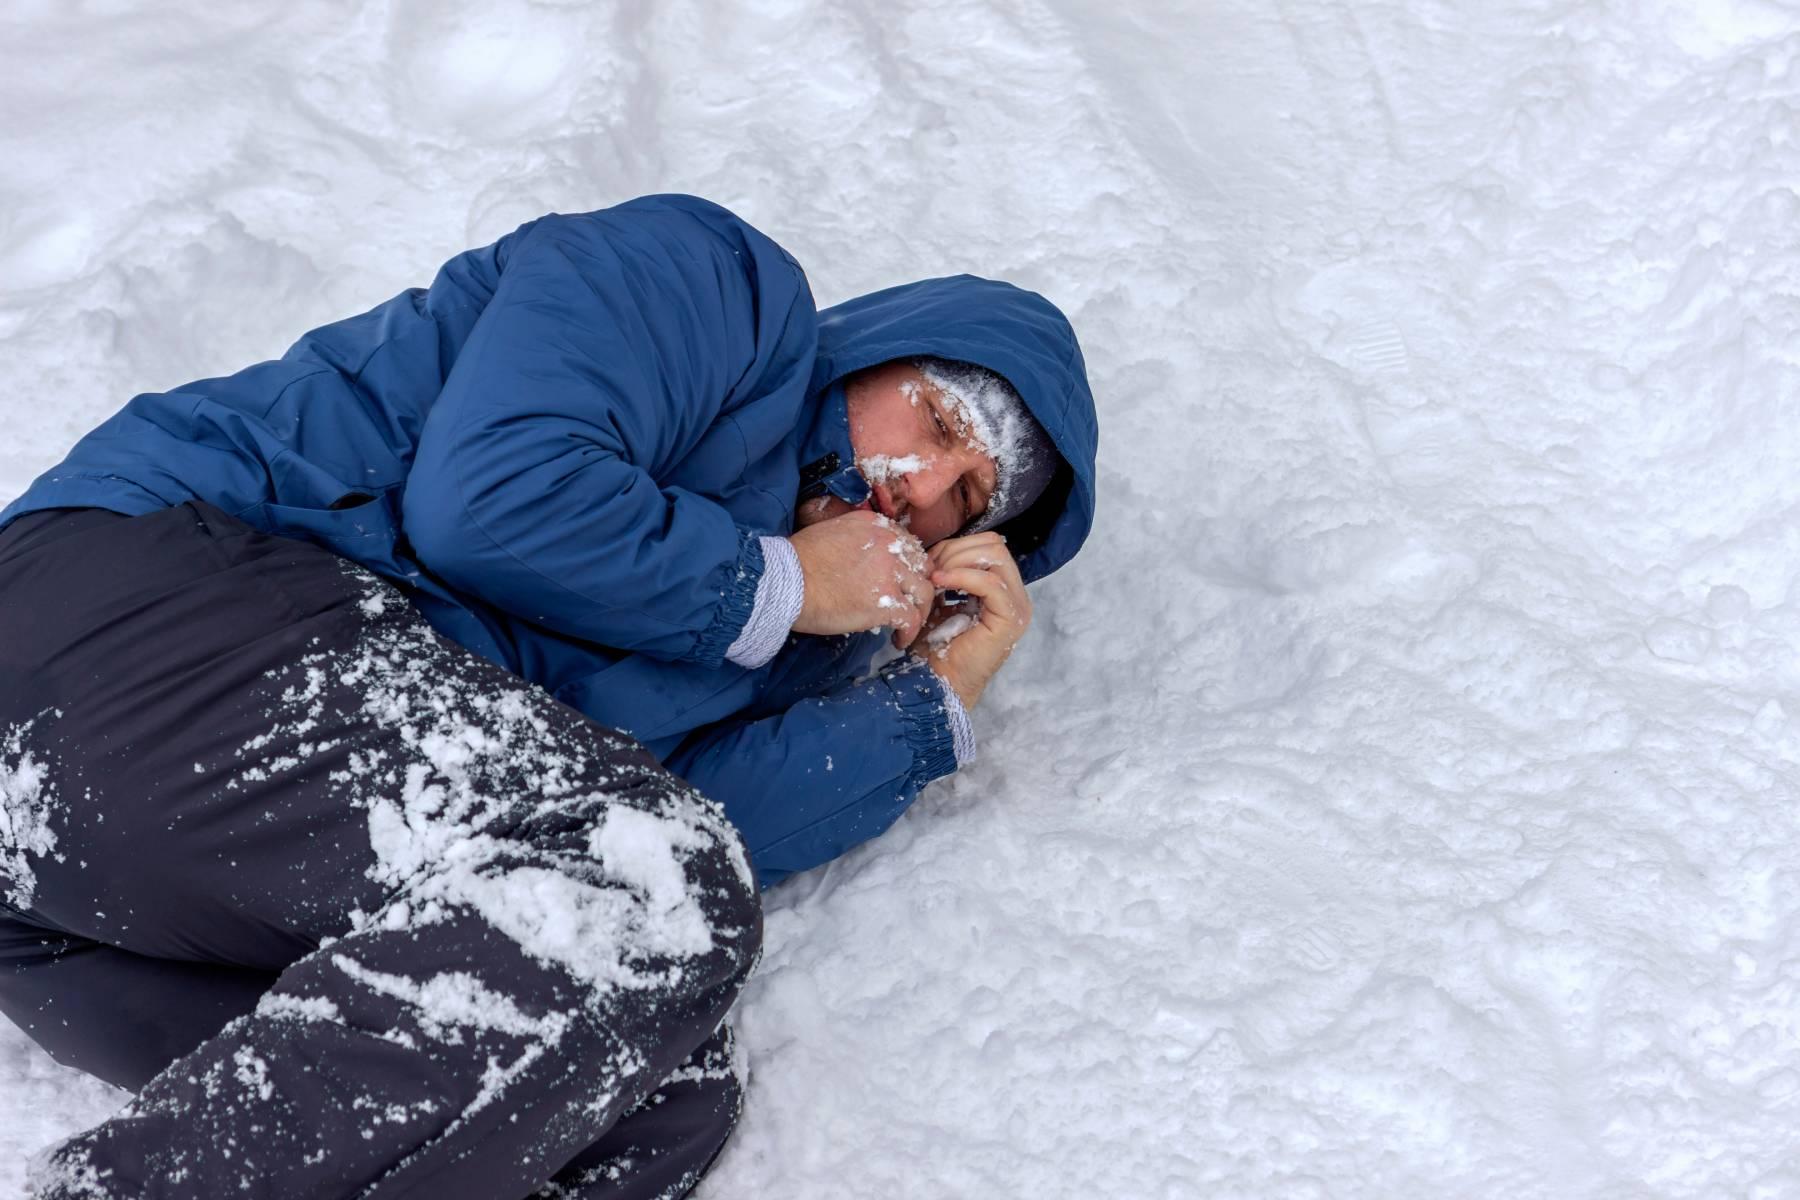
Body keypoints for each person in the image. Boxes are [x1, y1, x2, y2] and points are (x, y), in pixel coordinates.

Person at [0, 193, 1098, 1198]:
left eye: (967, 504)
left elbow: (676, 853)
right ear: (880, 355)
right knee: (647, 871)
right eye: (941, 426)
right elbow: (489, 499)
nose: (921, 492)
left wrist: (932, 693)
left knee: (655, 1088)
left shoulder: (777, 644)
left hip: (87, 914)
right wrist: (785, 585)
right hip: (130, 617)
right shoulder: (721, 292)